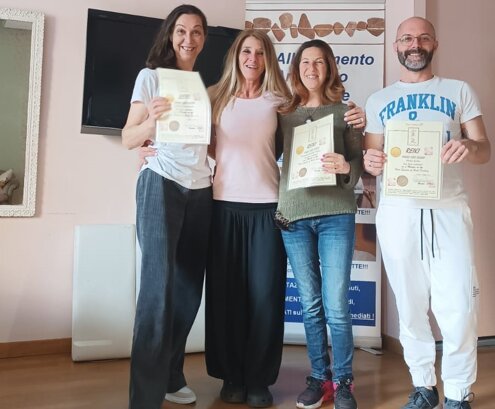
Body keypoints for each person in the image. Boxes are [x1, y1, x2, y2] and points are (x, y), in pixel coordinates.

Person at [364, 17, 490, 409]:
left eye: (422, 38)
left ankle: (457, 392)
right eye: (406, 38)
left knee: (459, 306)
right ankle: (423, 386)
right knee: (410, 305)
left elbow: (484, 149)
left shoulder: (458, 90)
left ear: (434, 44)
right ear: (396, 47)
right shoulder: (379, 100)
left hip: (448, 210)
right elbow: (371, 158)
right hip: (398, 213)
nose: (414, 44)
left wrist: (468, 147)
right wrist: (370, 161)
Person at [121, 5, 212, 409]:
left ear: (204, 39)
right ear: (170, 35)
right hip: (161, 182)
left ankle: (171, 374)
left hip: (201, 188)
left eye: (196, 32)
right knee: (157, 288)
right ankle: (144, 398)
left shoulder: (205, 86)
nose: (188, 39)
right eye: (181, 31)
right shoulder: (151, 77)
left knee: (190, 290)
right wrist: (150, 123)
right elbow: (128, 138)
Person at [204, 29, 290, 408]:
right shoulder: (214, 97)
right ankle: (231, 376)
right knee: (226, 296)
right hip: (223, 206)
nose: (252, 58)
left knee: (265, 297)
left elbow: (293, 147)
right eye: (246, 51)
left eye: (260, 52)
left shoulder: (280, 102)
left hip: (268, 209)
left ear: (268, 59)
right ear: (235, 56)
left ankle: (258, 379)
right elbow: (200, 144)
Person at [276, 39, 363, 409]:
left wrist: (346, 167)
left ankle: (343, 382)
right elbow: (256, 149)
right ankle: (319, 377)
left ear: (329, 68)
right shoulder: (282, 113)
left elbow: (358, 162)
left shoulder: (347, 113)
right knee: (310, 304)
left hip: (336, 215)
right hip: (294, 216)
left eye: (319, 62)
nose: (312, 68)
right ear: (296, 69)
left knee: (337, 305)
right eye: (305, 62)